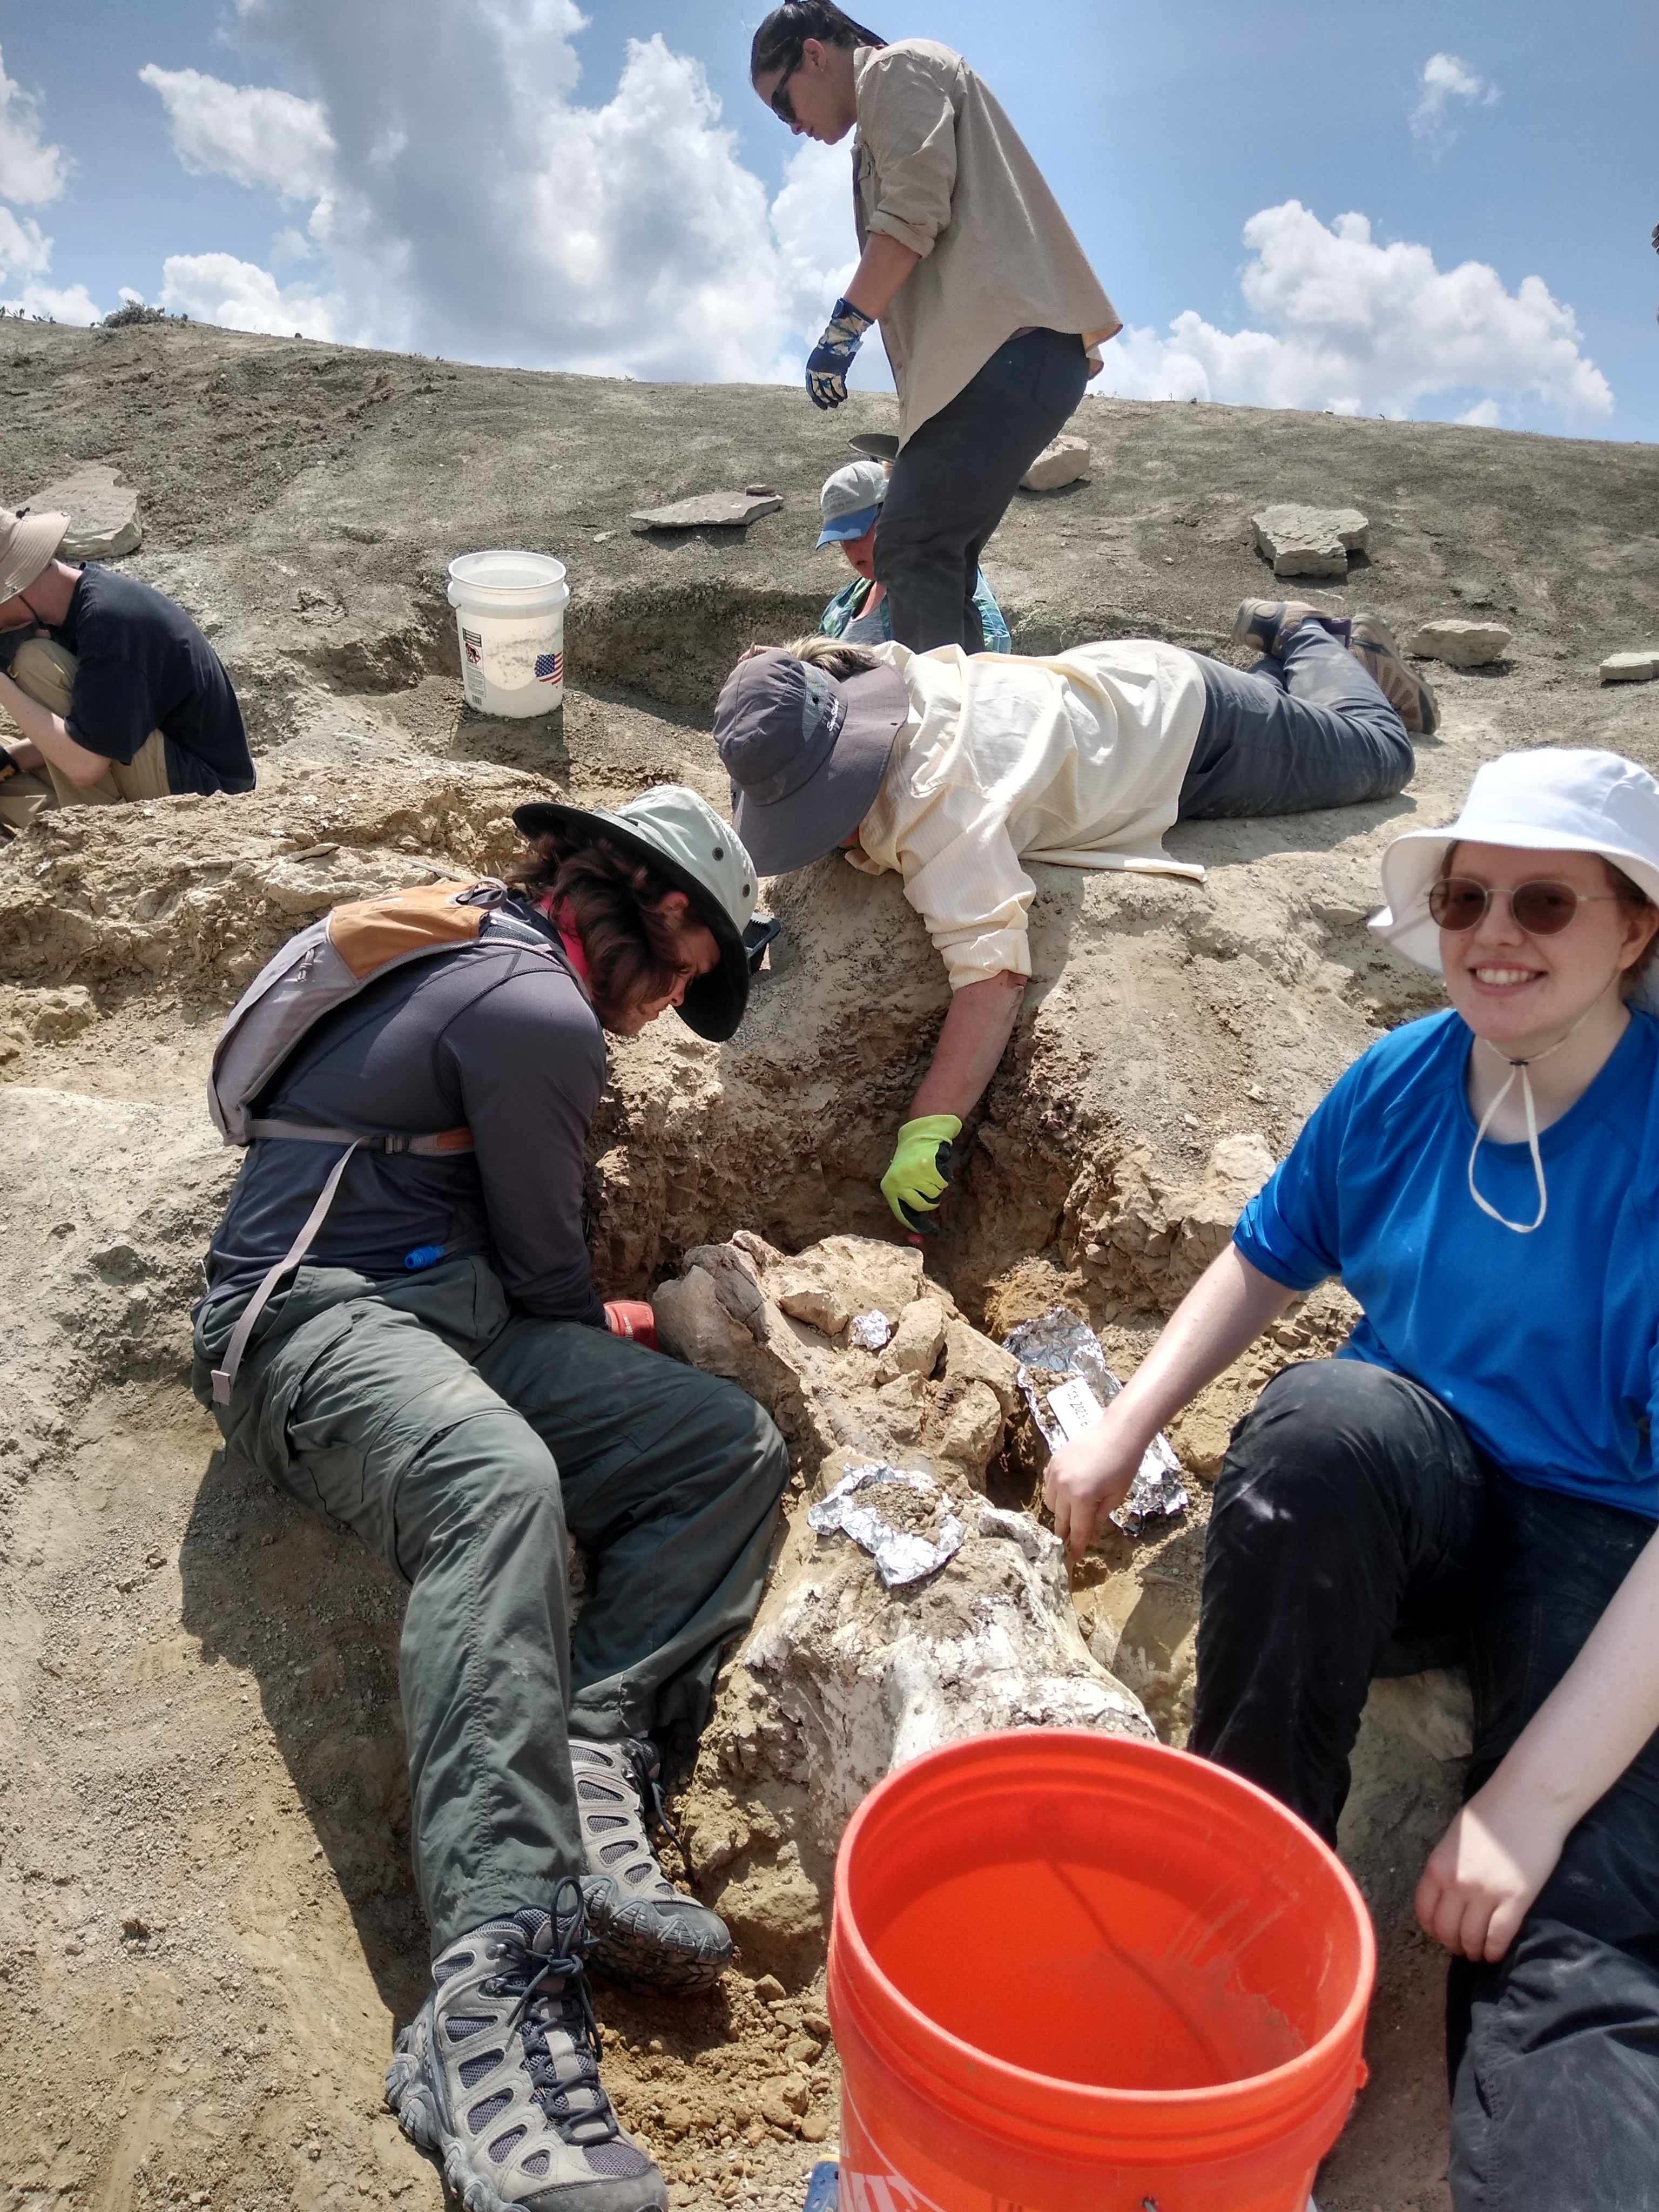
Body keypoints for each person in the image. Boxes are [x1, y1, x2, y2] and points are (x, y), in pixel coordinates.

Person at [1044, 746, 1659, 2209]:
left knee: (1578, 1926)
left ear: (1637, 929)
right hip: (1416, 1487)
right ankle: (1239, 1937)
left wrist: (1525, 1808)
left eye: (1545, 903)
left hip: (1609, 1533)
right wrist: (1126, 1426)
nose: (1494, 932)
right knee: (1319, 1425)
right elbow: (1270, 1250)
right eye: (1465, 896)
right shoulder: (1398, 1080)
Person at [192, 785, 790, 2212]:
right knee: (497, 1481)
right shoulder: (536, 1010)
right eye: (689, 980)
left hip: (444, 1314)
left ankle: (593, 1766)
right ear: (666, 924)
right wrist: (600, 1315)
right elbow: (541, 1264)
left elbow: (520, 1274)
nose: (669, 1014)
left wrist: (607, 1334)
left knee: (721, 1451)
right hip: (311, 1326)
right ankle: (488, 2005)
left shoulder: (498, 961)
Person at [714, 601, 1423, 1230]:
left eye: (819, 810)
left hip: (1196, 732)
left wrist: (928, 1127)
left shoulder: (940, 799)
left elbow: (993, 979)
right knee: (1294, 722)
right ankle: (1279, 677)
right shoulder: (873, 684)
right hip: (1113, 690)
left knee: (1379, 751)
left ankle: (1312, 637)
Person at [751, 4, 1119, 657]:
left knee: (913, 545)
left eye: (783, 104)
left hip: (1008, 351)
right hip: (1007, 360)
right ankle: (976, 727)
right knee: (938, 558)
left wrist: (842, 333)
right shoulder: (879, 116)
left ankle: (940, 742)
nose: (791, 126)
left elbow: (914, 214)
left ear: (814, 54)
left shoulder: (897, 70)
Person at [0, 504, 254, 826]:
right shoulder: (82, 599)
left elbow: (86, 766)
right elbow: (101, 728)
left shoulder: (111, 626)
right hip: (144, 763)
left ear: (14, 589)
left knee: (35, 662)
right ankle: (55, 826)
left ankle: (90, 830)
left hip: (207, 795)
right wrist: (13, 759)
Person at [816, 456, 1010, 652]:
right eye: (840, 539)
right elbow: (820, 680)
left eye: (856, 534)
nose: (849, 548)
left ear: (892, 514)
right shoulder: (837, 610)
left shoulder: (946, 575)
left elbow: (994, 650)